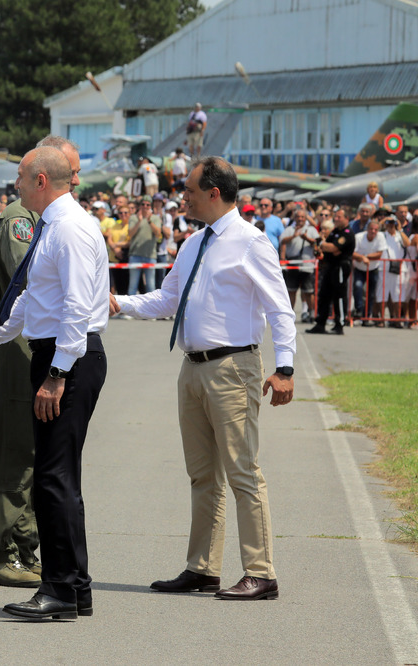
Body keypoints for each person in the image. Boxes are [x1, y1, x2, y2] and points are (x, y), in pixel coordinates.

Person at [112, 156, 295, 601]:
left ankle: (261, 571)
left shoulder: (252, 242)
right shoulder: (194, 242)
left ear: (214, 193)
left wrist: (285, 367)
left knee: (243, 471)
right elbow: (168, 298)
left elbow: (279, 308)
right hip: (192, 367)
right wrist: (120, 303)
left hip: (233, 368)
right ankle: (203, 568)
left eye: (191, 190)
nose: (184, 196)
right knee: (202, 475)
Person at [0, 145, 109, 620]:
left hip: (68, 359)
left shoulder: (69, 229)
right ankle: (75, 585)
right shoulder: (52, 226)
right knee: (58, 477)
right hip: (57, 354)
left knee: (52, 479)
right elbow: (29, 302)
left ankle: (60, 589)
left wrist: (57, 375)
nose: (16, 185)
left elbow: (77, 310)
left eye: (21, 177)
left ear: (41, 180)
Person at [0, 134, 81, 589]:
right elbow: (35, 286)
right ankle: (0, 551)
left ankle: (23, 547)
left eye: (73, 173)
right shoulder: (20, 222)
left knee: (35, 457)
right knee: (12, 456)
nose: (73, 180)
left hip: (38, 348)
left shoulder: (48, 220)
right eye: (68, 171)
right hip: (17, 350)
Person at [308, 208, 355, 334]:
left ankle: (339, 325)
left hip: (340, 266)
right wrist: (325, 247)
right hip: (330, 266)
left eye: (339, 217)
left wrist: (323, 244)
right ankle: (320, 323)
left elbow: (334, 248)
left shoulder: (347, 233)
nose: (336, 219)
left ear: (346, 218)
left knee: (339, 295)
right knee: (324, 295)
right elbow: (327, 248)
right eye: (336, 217)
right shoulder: (335, 231)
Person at [279, 208, 320, 323]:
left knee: (308, 291)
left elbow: (317, 243)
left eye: (302, 217)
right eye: (298, 217)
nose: (300, 219)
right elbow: (282, 241)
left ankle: (311, 313)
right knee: (291, 290)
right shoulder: (289, 229)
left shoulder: (311, 230)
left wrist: (306, 238)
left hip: (307, 265)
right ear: (295, 218)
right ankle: (289, 314)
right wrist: (294, 236)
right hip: (293, 264)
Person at [351, 219, 386, 325]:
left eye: (375, 229)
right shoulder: (359, 237)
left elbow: (379, 254)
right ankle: (359, 310)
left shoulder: (380, 237)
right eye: (371, 229)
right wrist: (361, 258)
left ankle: (367, 316)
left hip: (373, 268)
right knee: (358, 287)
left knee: (371, 293)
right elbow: (353, 252)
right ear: (367, 229)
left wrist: (365, 257)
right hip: (359, 268)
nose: (373, 231)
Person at [380, 216, 410, 328]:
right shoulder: (382, 234)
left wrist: (400, 228)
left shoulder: (399, 235)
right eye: (390, 223)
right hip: (384, 268)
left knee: (398, 295)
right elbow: (374, 229)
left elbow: (407, 243)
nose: (391, 225)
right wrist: (383, 222)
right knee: (382, 294)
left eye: (393, 223)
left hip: (399, 268)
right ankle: (383, 318)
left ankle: (397, 319)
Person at [127, 195, 160, 295]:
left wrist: (149, 221)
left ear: (150, 206)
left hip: (150, 255)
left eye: (148, 205)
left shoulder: (155, 218)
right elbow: (130, 234)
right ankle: (129, 309)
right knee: (133, 285)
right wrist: (140, 221)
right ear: (140, 206)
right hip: (135, 255)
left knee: (150, 286)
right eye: (143, 204)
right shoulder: (133, 217)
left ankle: (152, 310)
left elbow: (158, 234)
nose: (145, 206)